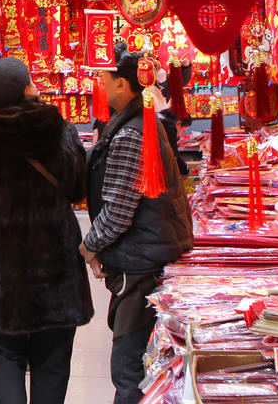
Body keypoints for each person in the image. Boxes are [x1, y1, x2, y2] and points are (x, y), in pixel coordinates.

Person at [0, 58, 93, 404]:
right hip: (56, 266)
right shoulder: (59, 130)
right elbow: (78, 189)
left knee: (3, 354)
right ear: (28, 88)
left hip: (4, 270)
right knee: (52, 360)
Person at [82, 49, 194, 404]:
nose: (99, 85)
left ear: (121, 84)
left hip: (140, 261)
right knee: (140, 365)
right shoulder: (137, 122)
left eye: (103, 79)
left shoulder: (130, 132)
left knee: (130, 369)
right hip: (147, 252)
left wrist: (89, 245)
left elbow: (119, 209)